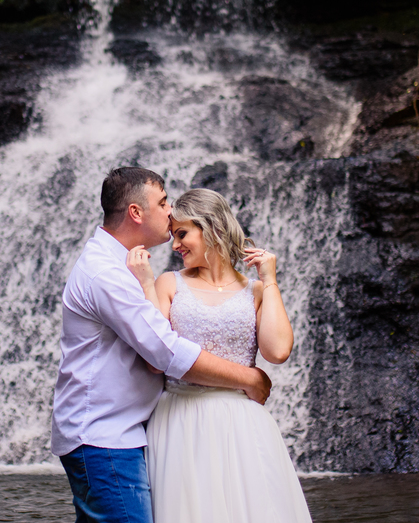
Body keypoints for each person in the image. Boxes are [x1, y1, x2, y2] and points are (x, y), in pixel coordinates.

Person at [51, 167, 273, 523]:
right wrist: (248, 378)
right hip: (103, 437)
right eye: (164, 202)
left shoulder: (116, 264)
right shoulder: (105, 273)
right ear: (136, 213)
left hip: (122, 434)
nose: (171, 212)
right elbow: (165, 351)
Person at [126, 187, 313, 523]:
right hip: (179, 419)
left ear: (211, 227)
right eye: (173, 235)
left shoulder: (255, 290)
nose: (175, 245)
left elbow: (278, 350)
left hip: (241, 425)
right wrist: (145, 284)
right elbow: (155, 356)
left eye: (182, 233)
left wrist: (269, 280)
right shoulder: (168, 283)